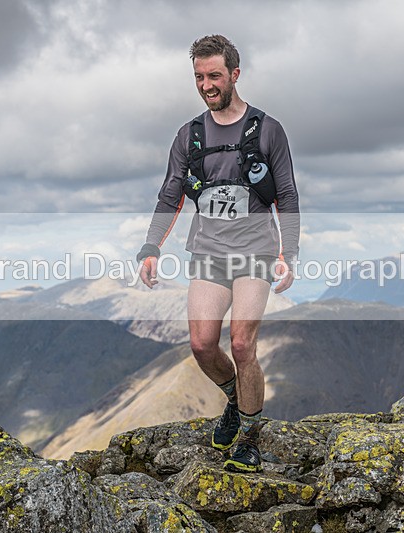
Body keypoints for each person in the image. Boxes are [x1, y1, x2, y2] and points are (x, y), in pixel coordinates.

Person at [137, 34, 300, 473]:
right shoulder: (188, 135)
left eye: (214, 75)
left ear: (234, 74)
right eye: (198, 77)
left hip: (255, 253)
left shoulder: (267, 130)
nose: (206, 85)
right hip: (209, 252)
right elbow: (171, 192)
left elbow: (285, 192)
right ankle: (235, 398)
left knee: (243, 344)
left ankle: (249, 437)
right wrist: (151, 247)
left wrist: (291, 251)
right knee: (202, 344)